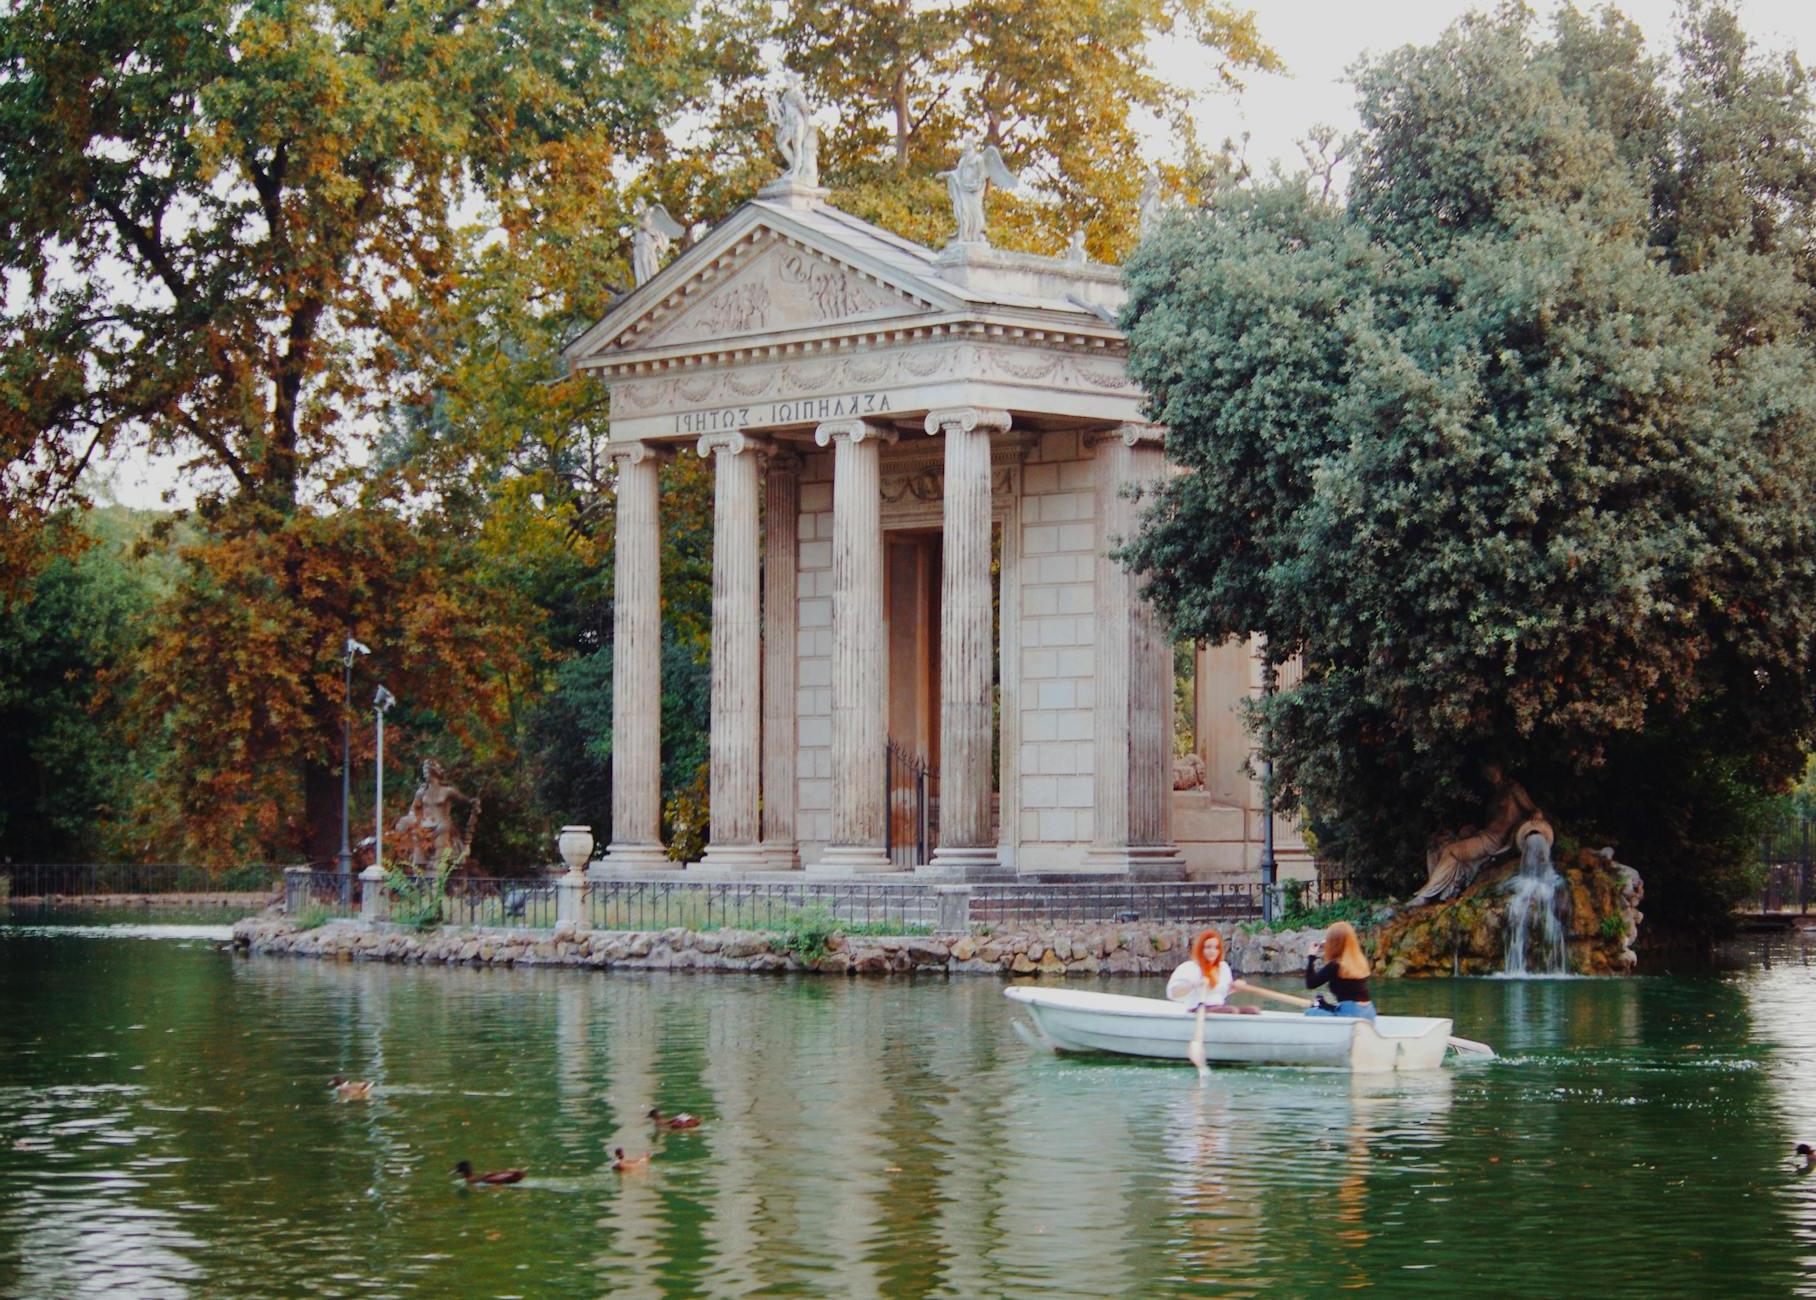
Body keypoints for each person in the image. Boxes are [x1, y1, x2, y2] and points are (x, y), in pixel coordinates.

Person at [1166, 929, 1261, 1015]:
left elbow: (1222, 992)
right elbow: (1172, 993)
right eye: (1208, 947)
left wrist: (1235, 987)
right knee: (1232, 1010)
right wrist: (1195, 985)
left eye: (1216, 948)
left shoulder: (1223, 967)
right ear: (1200, 949)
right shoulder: (1189, 967)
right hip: (1198, 1009)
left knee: (1254, 1010)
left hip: (1220, 1007)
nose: (1212, 951)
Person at [1304, 920, 1376, 1021]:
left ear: (1333, 943)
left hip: (1352, 1014)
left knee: (1310, 1012)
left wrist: (1311, 957)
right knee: (1324, 1008)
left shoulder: (1335, 965)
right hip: (1369, 1013)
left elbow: (1311, 983)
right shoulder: (1360, 962)